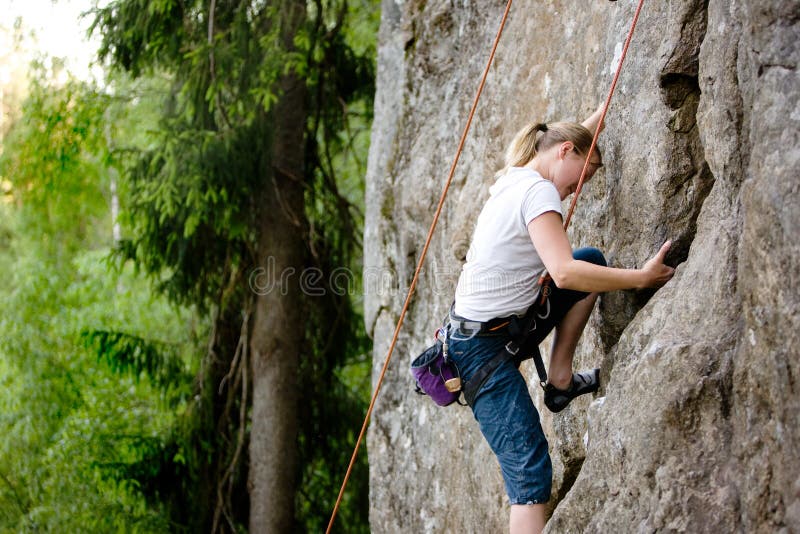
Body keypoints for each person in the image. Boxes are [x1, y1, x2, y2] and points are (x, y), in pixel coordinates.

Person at [447, 105, 675, 534]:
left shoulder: (516, 176)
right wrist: (640, 278)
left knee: (593, 262)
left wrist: (601, 114)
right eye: (581, 178)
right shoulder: (538, 191)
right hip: (480, 354)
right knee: (529, 476)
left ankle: (561, 380)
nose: (576, 189)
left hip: (494, 330)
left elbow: (571, 142)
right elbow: (564, 271)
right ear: (564, 152)